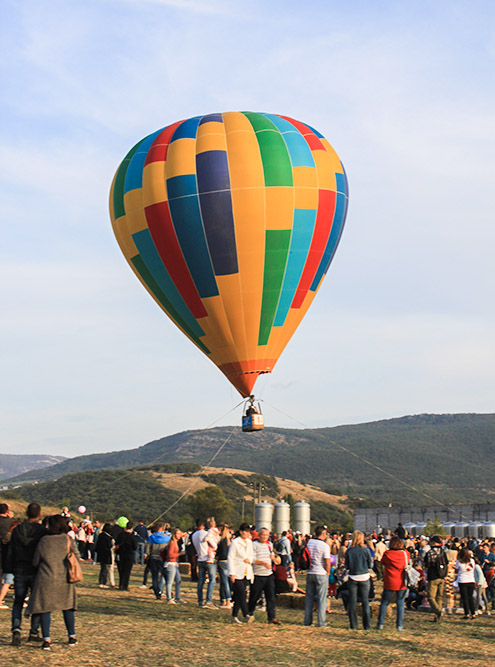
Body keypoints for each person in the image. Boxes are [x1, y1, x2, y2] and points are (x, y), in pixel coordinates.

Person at [26, 515, 79, 650]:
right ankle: (71, 636)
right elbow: (77, 557)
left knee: (45, 609)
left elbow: (35, 561)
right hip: (65, 578)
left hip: (46, 578)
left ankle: (46, 639)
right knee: (68, 608)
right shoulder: (68, 539)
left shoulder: (44, 541)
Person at [7, 502, 46, 645]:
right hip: (36, 569)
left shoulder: (17, 530)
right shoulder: (41, 531)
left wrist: (9, 567)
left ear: (26, 513)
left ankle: (16, 629)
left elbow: (11, 549)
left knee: (18, 601)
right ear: (39, 514)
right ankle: (34, 631)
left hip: (20, 568)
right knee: (36, 602)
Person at [376, 535, 410, 631]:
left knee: (384, 603)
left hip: (390, 581)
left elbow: (383, 562)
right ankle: (399, 625)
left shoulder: (387, 554)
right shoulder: (405, 554)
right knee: (400, 604)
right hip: (402, 581)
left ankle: (381, 624)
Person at [248, 527, 280, 624]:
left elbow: (273, 557)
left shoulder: (269, 545)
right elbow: (252, 559)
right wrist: (263, 563)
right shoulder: (254, 545)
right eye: (263, 535)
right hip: (258, 574)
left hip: (269, 574)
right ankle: (249, 613)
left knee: (270, 597)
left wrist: (273, 558)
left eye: (267, 535)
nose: (265, 537)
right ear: (259, 535)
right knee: (254, 596)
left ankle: (272, 617)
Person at [344, 530, 373, 630]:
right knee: (365, 601)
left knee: (352, 601)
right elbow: (370, 564)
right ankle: (367, 625)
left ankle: (353, 624)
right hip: (364, 576)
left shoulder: (349, 550)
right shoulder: (366, 550)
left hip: (353, 576)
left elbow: (346, 565)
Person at [304, 526, 331, 628]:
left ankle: (307, 620)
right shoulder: (324, 546)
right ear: (323, 534)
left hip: (310, 572)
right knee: (322, 599)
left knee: (309, 598)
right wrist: (328, 572)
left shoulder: (309, 543)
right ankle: (321, 622)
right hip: (321, 572)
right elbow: (327, 561)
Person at [228, 523, 254, 624]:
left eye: (249, 532)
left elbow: (252, 555)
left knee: (239, 595)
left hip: (246, 571)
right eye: (246, 532)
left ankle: (234, 616)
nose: (248, 534)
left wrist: (250, 560)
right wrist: (232, 573)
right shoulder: (235, 543)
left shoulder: (249, 542)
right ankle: (246, 614)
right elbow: (230, 558)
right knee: (242, 593)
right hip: (237, 571)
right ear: (241, 532)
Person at [192, 518, 217, 609]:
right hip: (208, 558)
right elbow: (214, 545)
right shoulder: (206, 534)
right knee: (212, 580)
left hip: (200, 558)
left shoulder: (194, 535)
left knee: (201, 581)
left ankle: (200, 600)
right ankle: (209, 600)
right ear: (203, 526)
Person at [423, 535, 448, 622]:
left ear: (433, 543)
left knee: (430, 597)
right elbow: (447, 563)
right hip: (442, 576)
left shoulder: (430, 552)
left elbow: (426, 564)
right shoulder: (443, 552)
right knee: (439, 597)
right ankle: (437, 617)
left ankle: (438, 611)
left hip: (433, 576)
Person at [145, 522, 170, 601]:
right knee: (166, 576)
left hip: (153, 558)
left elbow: (147, 550)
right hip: (162, 559)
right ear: (162, 528)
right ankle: (167, 591)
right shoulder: (167, 538)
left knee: (154, 577)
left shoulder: (151, 537)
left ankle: (157, 593)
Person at [162, 528, 186, 603]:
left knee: (178, 580)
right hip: (170, 564)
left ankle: (177, 598)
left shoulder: (175, 542)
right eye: (178, 534)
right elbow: (170, 555)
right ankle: (169, 598)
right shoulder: (172, 543)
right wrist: (179, 554)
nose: (179, 535)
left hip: (174, 564)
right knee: (170, 582)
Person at [455, 547, 477, 619]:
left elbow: (456, 570)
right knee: (470, 597)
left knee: (465, 598)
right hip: (471, 580)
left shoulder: (459, 561)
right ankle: (473, 613)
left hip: (462, 580)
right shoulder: (472, 561)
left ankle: (467, 613)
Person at [115, 521, 137, 591]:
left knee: (121, 570)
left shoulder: (120, 535)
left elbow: (116, 543)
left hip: (121, 554)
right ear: (132, 528)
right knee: (127, 571)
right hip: (129, 555)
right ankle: (125, 585)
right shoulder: (132, 536)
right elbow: (135, 547)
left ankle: (121, 584)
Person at [94, 523, 114, 588]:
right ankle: (103, 582)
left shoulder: (100, 535)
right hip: (106, 554)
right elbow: (109, 546)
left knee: (102, 568)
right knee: (105, 569)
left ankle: (101, 581)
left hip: (100, 554)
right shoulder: (108, 537)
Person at [216, 524, 232, 607]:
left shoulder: (223, 541)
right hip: (227, 562)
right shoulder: (228, 541)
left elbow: (224, 553)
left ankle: (227, 599)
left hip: (223, 562)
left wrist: (217, 556)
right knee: (224, 582)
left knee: (224, 582)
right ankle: (224, 600)